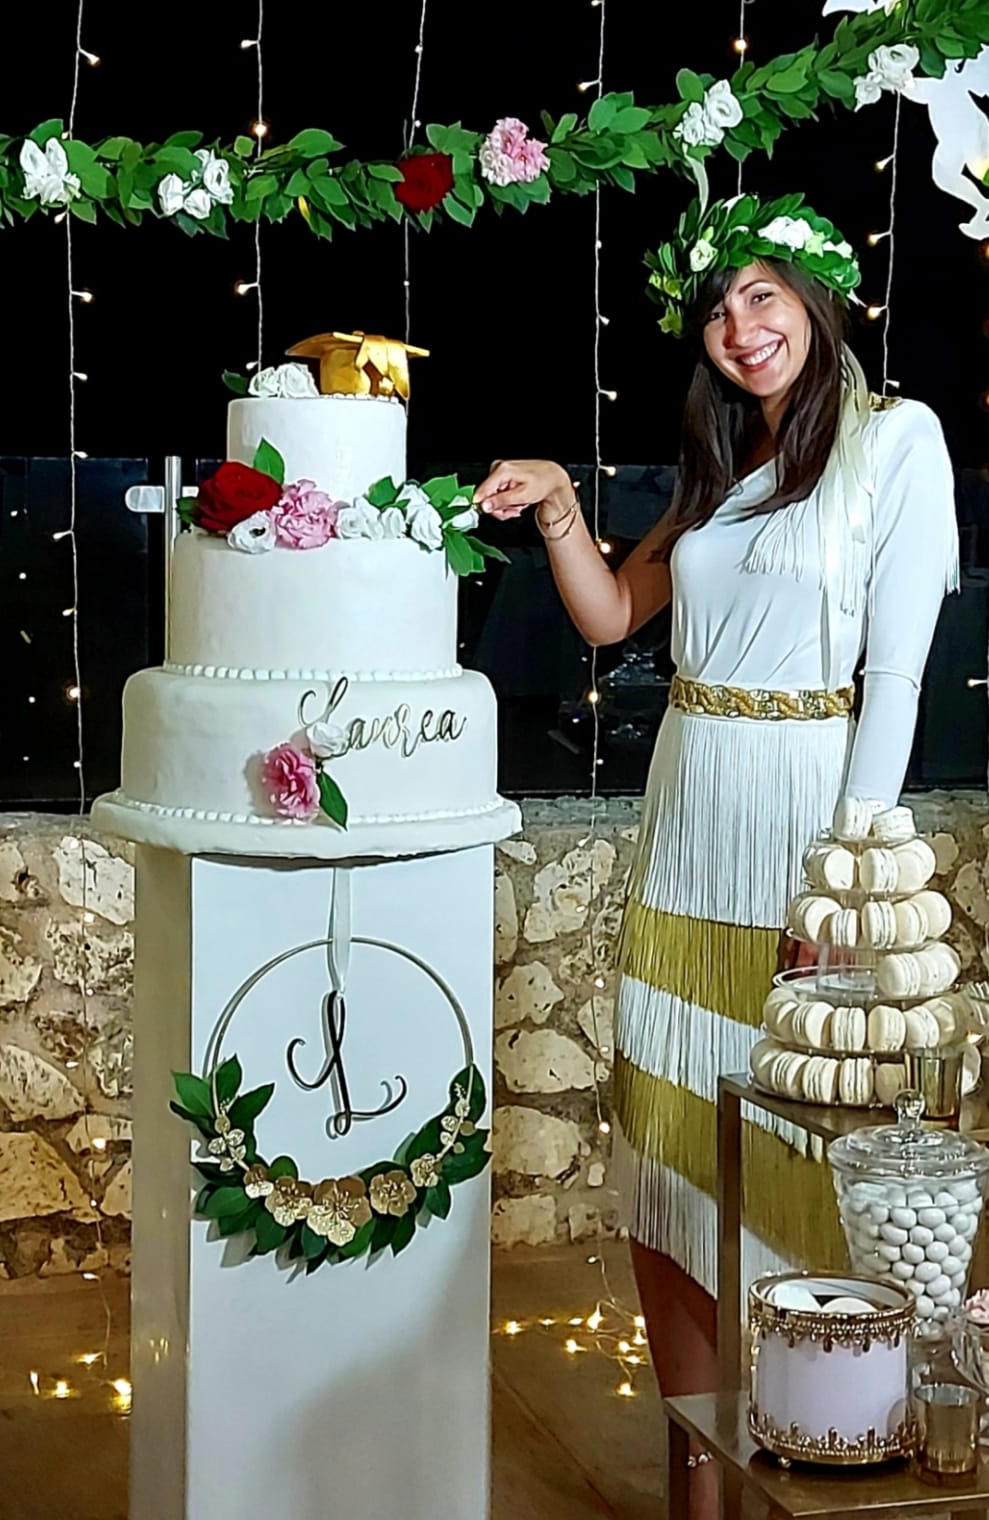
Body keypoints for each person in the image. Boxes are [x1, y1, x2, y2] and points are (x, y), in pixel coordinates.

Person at [474, 191, 958, 1518]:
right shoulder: (718, 468)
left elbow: (897, 680)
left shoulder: (892, 443)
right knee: (667, 1157)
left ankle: (819, 1445)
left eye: (762, 296)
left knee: (806, 1156)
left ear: (817, 300)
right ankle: (693, 1467)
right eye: (717, 308)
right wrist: (561, 503)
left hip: (806, 829)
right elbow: (610, 616)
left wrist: (846, 882)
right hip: (685, 821)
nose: (738, 327)